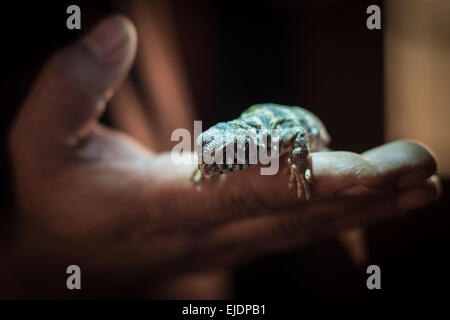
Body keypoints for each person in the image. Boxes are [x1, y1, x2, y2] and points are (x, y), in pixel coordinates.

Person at [1, 16, 440, 298]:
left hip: (311, 131)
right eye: (209, 151)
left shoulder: (268, 136)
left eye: (221, 153)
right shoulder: (224, 143)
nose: (212, 157)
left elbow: (295, 136)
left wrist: (299, 168)